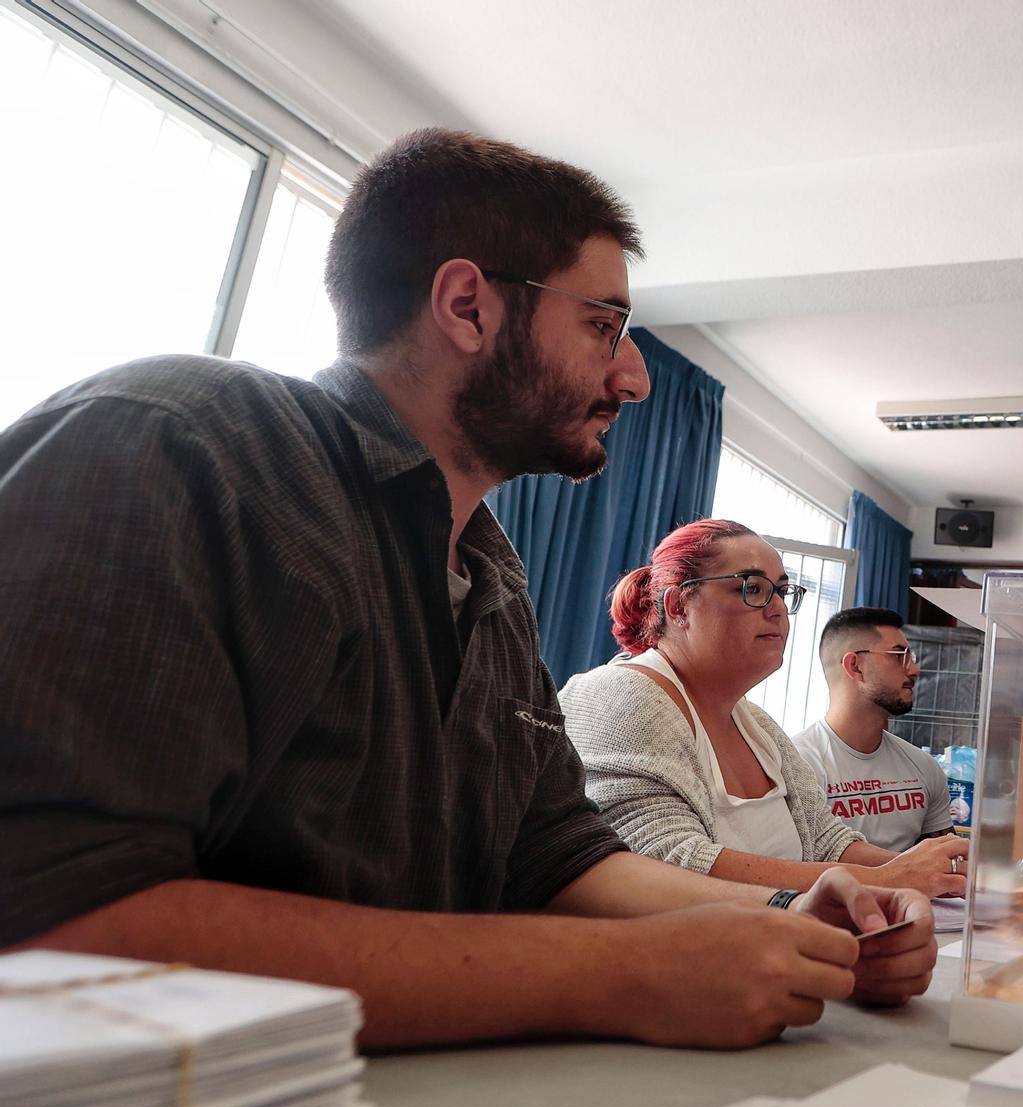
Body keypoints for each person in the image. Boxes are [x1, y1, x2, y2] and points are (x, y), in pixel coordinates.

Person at [0, 128, 935, 1052]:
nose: (635, 376)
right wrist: (616, 973)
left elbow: (557, 857)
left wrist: (785, 911)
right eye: (603, 326)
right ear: (467, 307)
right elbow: (51, 915)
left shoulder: (489, 573)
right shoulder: (181, 446)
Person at [558, 522, 968, 896]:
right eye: (752, 588)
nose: (778, 609)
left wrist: (939, 873)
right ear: (679, 606)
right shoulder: (622, 693)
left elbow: (826, 841)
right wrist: (886, 879)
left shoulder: (756, 724)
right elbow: (665, 861)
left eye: (783, 591)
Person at [794, 608, 956, 854]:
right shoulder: (799, 766)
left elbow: (945, 860)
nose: (914, 670)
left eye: (910, 657)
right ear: (855, 666)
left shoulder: (923, 767)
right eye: (899, 656)